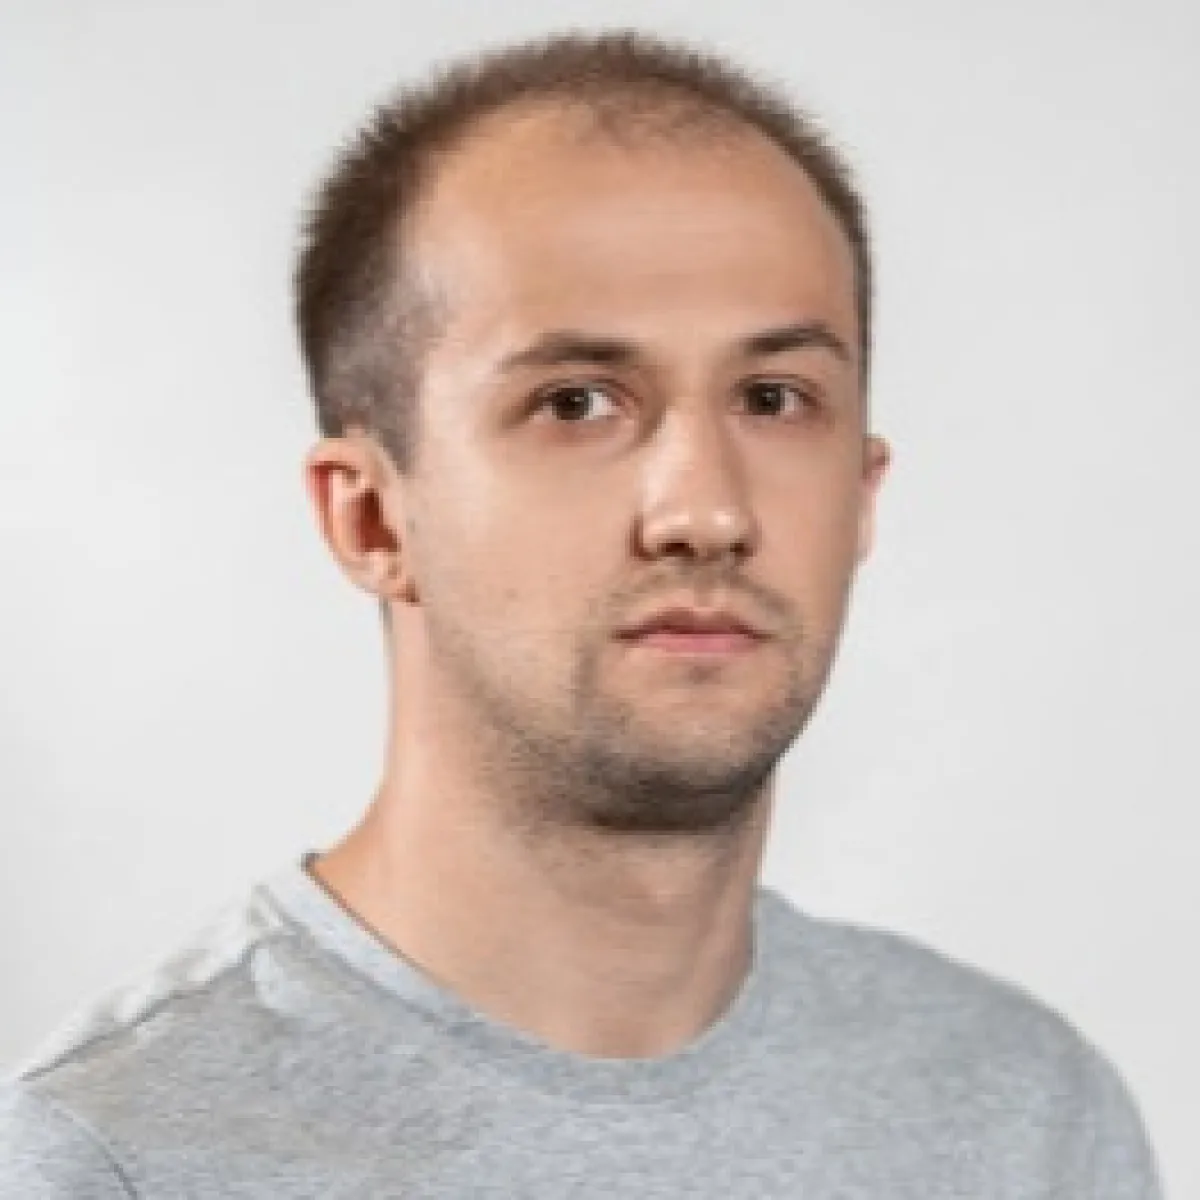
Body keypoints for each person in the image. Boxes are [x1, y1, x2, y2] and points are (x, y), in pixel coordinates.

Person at [0, 28, 1163, 1198]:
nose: (706, 511)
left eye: (773, 397)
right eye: (576, 403)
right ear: (372, 519)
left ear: (861, 496)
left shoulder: (1028, 1114)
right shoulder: (114, 1158)